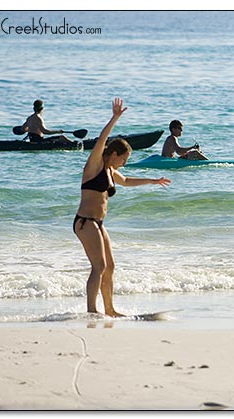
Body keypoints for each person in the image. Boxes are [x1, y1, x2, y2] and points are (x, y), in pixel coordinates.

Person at [74, 98, 171, 317]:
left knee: (110, 267)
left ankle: (110, 309)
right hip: (85, 222)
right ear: (114, 154)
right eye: (124, 159)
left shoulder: (110, 171)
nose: (124, 163)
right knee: (98, 267)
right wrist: (115, 118)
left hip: (98, 223)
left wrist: (152, 181)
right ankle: (92, 311)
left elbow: (126, 181)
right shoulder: (95, 166)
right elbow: (102, 139)